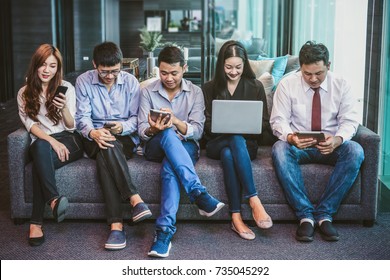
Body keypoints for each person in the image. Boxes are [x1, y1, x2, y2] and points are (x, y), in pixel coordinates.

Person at [270, 41, 364, 242]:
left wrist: (338, 139)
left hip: (332, 146)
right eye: (307, 74)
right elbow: (278, 120)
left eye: (318, 73)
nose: (313, 79)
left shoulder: (342, 85)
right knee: (279, 149)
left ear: (328, 65)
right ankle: (305, 216)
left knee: (355, 151)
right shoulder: (288, 84)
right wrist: (290, 137)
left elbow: (350, 120)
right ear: (300, 68)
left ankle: (324, 214)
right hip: (299, 147)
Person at [138, 46, 225, 257]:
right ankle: (198, 193)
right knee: (167, 135)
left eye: (174, 73)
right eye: (164, 72)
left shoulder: (195, 92)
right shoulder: (148, 91)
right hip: (156, 145)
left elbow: (197, 131)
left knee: (171, 167)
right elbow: (142, 131)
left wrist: (175, 120)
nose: (168, 78)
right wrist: (154, 128)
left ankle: (164, 231)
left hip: (186, 146)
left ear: (184, 68)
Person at [75, 41, 152, 251]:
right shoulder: (83, 81)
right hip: (93, 137)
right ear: (94, 65)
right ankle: (135, 199)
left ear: (121, 65)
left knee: (106, 153)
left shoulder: (131, 82)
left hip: (123, 137)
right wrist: (93, 132)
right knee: (105, 144)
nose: (110, 76)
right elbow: (82, 117)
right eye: (104, 71)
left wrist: (121, 127)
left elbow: (137, 118)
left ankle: (116, 226)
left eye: (115, 71)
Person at [202, 40, 273, 241]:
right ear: (221, 65)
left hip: (246, 146)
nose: (233, 72)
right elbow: (205, 126)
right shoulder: (209, 88)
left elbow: (264, 124)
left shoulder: (255, 86)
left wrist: (242, 128)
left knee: (230, 151)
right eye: (229, 67)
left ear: (245, 65)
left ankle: (235, 217)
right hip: (215, 143)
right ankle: (253, 198)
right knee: (231, 139)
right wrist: (224, 128)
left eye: (238, 67)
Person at [17, 44, 84, 246]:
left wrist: (63, 108)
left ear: (58, 68)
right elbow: (30, 125)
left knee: (39, 159)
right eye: (43, 64)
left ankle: (36, 223)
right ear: (35, 65)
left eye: (52, 66)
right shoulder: (24, 92)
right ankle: (54, 201)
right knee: (39, 148)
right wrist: (52, 141)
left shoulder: (67, 88)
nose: (47, 70)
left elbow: (72, 126)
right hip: (45, 141)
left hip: (70, 139)